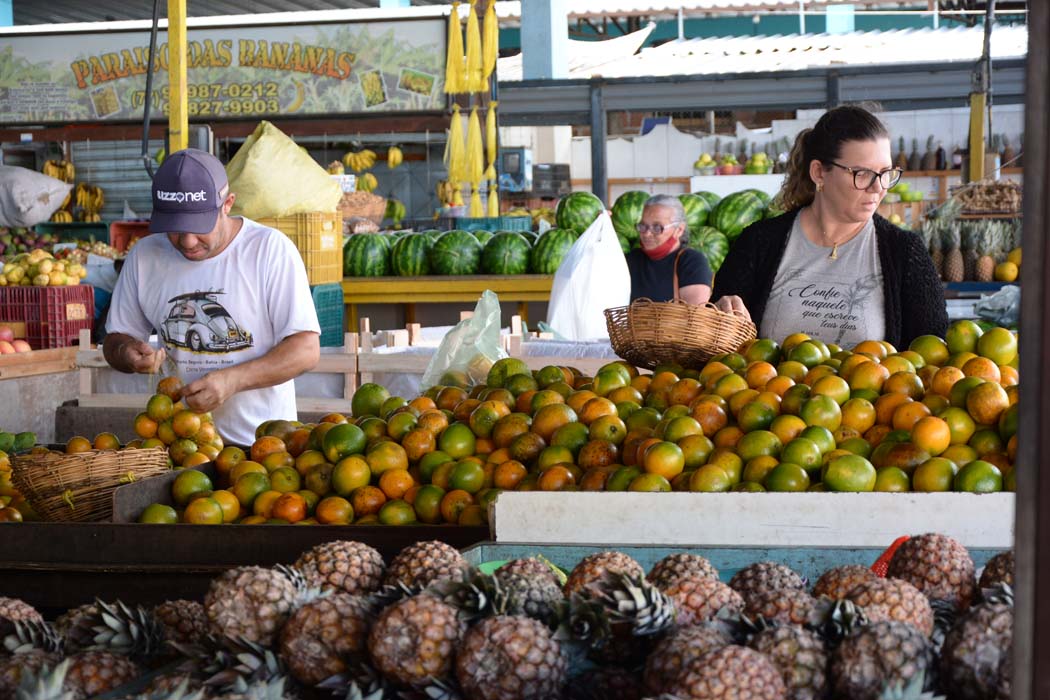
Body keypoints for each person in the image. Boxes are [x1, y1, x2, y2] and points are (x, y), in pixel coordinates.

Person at [104, 148, 321, 446]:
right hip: (179, 447)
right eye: (175, 230)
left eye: (199, 227)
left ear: (227, 204)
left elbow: (306, 350)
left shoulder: (270, 251)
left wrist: (232, 380)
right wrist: (125, 353)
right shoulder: (145, 256)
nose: (187, 242)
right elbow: (116, 339)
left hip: (261, 450)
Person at [712, 105, 947, 348]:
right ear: (819, 173)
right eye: (862, 173)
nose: (878, 188)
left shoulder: (904, 252)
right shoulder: (757, 243)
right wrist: (721, 313)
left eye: (886, 173)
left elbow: (934, 355)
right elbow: (715, 345)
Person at [625, 194, 712, 304]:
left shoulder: (691, 261)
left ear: (679, 230)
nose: (647, 234)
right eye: (643, 226)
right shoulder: (632, 259)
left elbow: (695, 315)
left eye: (657, 227)